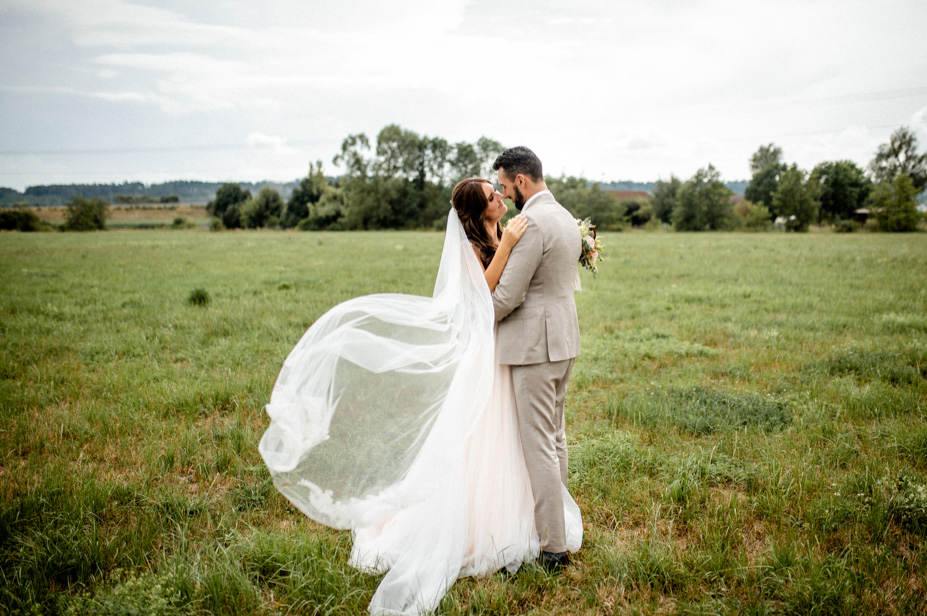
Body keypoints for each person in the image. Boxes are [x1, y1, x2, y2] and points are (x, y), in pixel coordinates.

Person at [259, 175, 581, 616]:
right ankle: (467, 529)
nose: (501, 198)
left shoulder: (497, 230)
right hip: (483, 355)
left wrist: (508, 244)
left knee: (507, 443)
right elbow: (480, 297)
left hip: (504, 351)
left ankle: (516, 519)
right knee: (476, 443)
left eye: (500, 190)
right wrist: (505, 247)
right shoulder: (476, 245)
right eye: (493, 196)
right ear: (478, 210)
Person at [491, 146, 582, 572]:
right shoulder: (565, 218)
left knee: (539, 445)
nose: (505, 196)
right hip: (564, 342)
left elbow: (507, 296)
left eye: (506, 187)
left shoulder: (531, 225)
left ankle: (553, 549)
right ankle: (560, 529)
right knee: (556, 438)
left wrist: (472, 316)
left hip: (534, 349)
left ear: (522, 181)